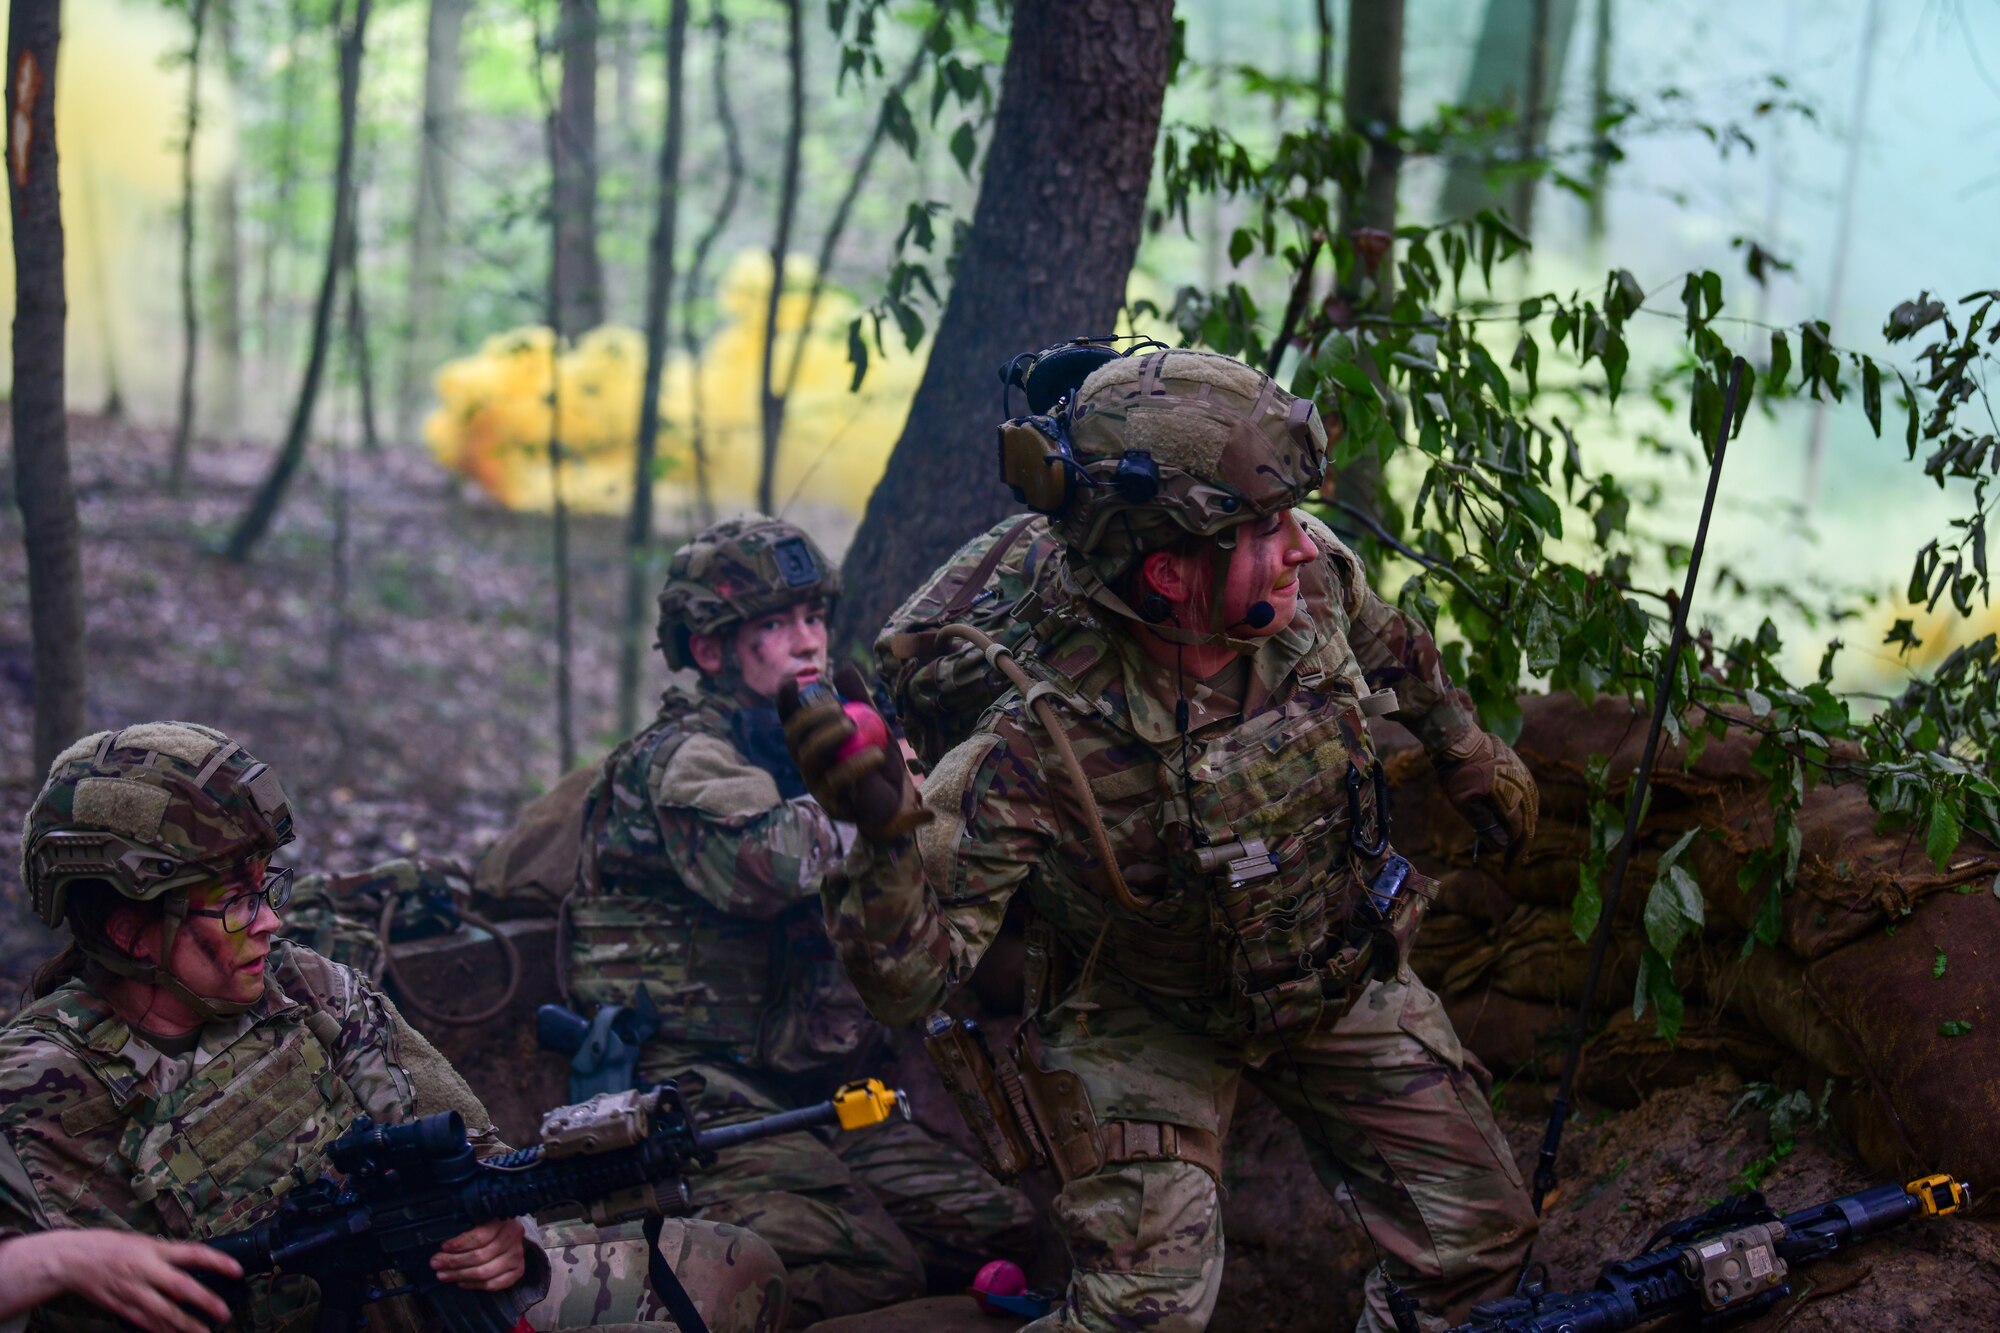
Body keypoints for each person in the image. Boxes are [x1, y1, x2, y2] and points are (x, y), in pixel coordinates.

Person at [784, 348, 1542, 1333]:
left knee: (1482, 1252)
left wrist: (1466, 748)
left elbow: (1387, 640)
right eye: (1264, 528)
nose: (1299, 547)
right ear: (1169, 568)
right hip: (1139, 1010)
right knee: (1145, 1315)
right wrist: (881, 835)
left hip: (1331, 967)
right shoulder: (1032, 738)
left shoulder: (1305, 588)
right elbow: (908, 979)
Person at [0, 721, 786, 1333]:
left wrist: (506, 1234)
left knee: (737, 1265)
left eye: (263, 884)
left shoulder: (304, 988)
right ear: (128, 928)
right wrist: (54, 1258)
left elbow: (474, 1156)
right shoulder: (37, 1088)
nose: (271, 920)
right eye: (234, 901)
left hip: (420, 1304)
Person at [564, 516, 1038, 1326]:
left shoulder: (810, 734)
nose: (805, 640)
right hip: (698, 1097)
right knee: (873, 1267)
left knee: (1003, 1231)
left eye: (812, 617)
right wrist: (876, 804)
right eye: (774, 625)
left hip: (823, 1093)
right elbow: (768, 862)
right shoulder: (682, 754)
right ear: (711, 650)